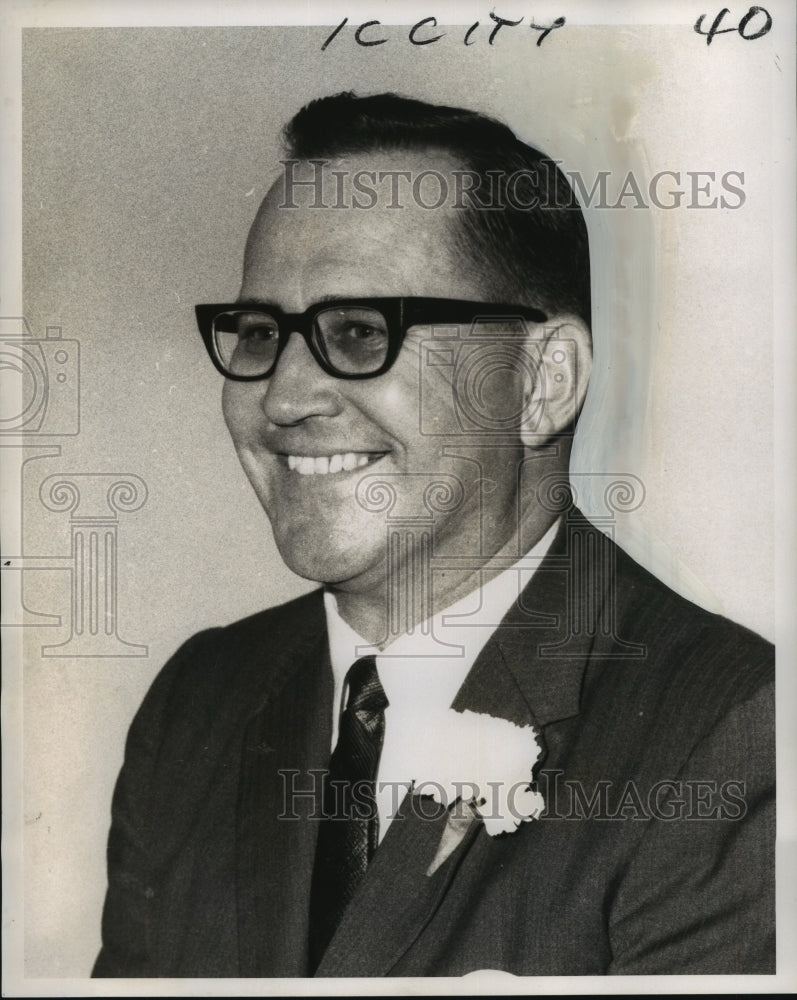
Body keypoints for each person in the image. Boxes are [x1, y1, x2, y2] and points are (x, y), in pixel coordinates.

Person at [93, 92, 774, 978]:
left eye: (359, 332)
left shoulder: (732, 730)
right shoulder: (201, 700)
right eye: (261, 333)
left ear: (542, 381)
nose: (285, 397)